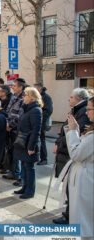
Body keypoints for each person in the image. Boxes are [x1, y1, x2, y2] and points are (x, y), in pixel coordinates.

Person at [56, 96, 93, 237]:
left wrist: (72, 131)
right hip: (85, 175)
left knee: (85, 221)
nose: (87, 112)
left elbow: (77, 154)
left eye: (89, 109)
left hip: (87, 178)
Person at [13, 87, 43, 199]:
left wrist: (31, 147)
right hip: (23, 142)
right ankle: (25, 187)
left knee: (29, 168)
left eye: (25, 95)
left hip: (29, 144)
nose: (23, 97)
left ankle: (30, 191)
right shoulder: (28, 109)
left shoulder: (36, 110)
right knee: (24, 166)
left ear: (31, 97)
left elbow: (36, 130)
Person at [3, 78, 26, 187]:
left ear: (21, 87)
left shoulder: (23, 98)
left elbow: (19, 115)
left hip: (16, 129)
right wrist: (7, 123)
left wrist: (11, 125)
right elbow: (8, 111)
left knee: (17, 153)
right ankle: (13, 171)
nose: (12, 87)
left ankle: (18, 174)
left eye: (15, 86)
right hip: (9, 127)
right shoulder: (13, 97)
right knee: (11, 151)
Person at [34, 82, 54, 165]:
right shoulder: (38, 97)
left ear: (40, 88)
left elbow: (49, 110)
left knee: (42, 140)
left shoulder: (46, 97)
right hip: (37, 121)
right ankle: (37, 157)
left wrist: (40, 118)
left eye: (35, 89)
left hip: (41, 122)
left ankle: (44, 159)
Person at [0, 84, 14, 172]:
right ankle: (2, 163)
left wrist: (8, 124)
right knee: (2, 146)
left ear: (4, 92)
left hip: (8, 127)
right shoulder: (0, 100)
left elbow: (9, 114)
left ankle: (8, 167)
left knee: (8, 148)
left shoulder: (10, 100)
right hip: (1, 126)